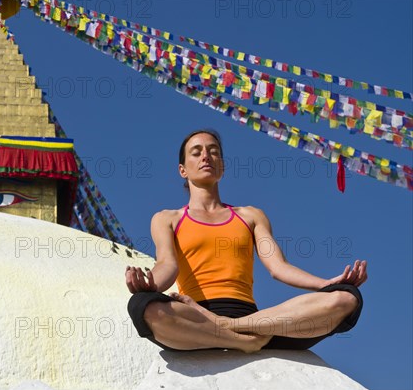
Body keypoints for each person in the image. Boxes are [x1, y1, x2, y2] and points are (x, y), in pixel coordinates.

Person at [125, 129, 367, 353]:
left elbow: (278, 267)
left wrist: (326, 284)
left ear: (222, 166)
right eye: (196, 153)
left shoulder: (250, 215)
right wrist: (148, 285)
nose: (206, 157)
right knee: (144, 307)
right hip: (195, 318)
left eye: (214, 152)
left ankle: (231, 326)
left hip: (257, 322)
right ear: (183, 170)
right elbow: (168, 264)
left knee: (346, 298)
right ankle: (240, 341)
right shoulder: (167, 218)